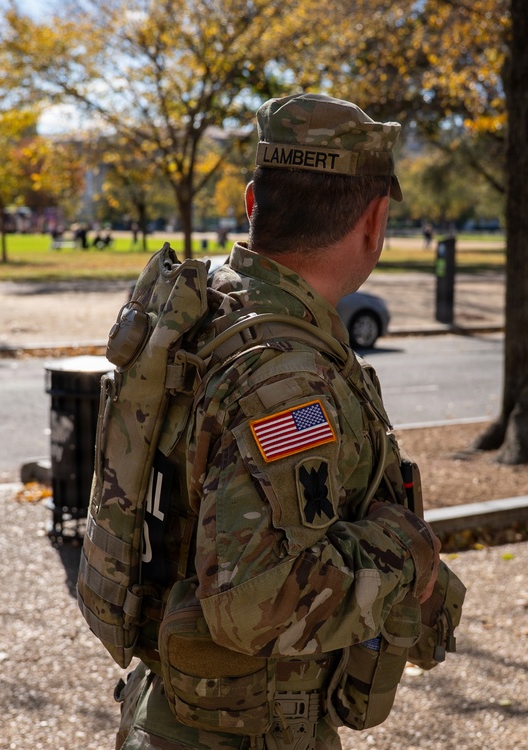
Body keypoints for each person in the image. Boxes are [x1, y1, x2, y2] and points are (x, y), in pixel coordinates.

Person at [112, 93, 445, 749]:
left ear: (252, 204)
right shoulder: (285, 376)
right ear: (374, 221)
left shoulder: (202, 317)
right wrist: (408, 555)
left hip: (171, 712)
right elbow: (251, 603)